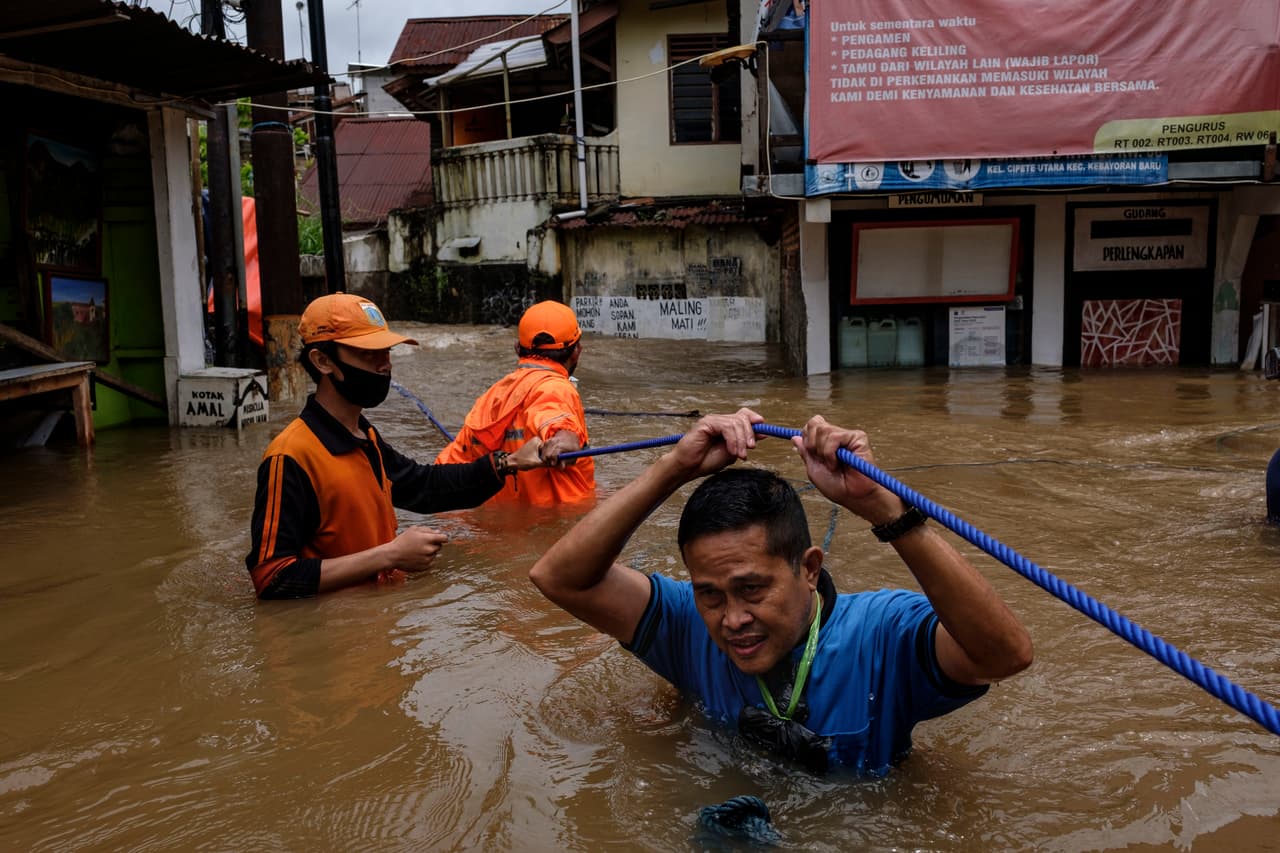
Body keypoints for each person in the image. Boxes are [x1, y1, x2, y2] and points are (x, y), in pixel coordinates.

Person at [529, 409, 1033, 774]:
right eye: (711, 594)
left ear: (809, 569)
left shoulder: (883, 633)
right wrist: (674, 469)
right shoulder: (687, 626)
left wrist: (884, 510)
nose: (732, 620)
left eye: (752, 589)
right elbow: (559, 577)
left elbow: (1005, 655)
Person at [246, 292, 544, 599]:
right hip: (340, 633)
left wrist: (508, 463)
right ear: (322, 361)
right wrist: (390, 555)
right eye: (368, 353)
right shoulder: (290, 457)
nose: (385, 365)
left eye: (386, 351)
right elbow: (272, 577)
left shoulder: (365, 437)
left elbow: (425, 488)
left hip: (374, 625)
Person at [434, 300, 595, 506]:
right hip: (561, 531)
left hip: (494, 530)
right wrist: (565, 441)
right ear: (576, 351)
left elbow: (445, 473)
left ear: (518, 348)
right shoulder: (558, 389)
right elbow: (554, 415)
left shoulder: (489, 399)